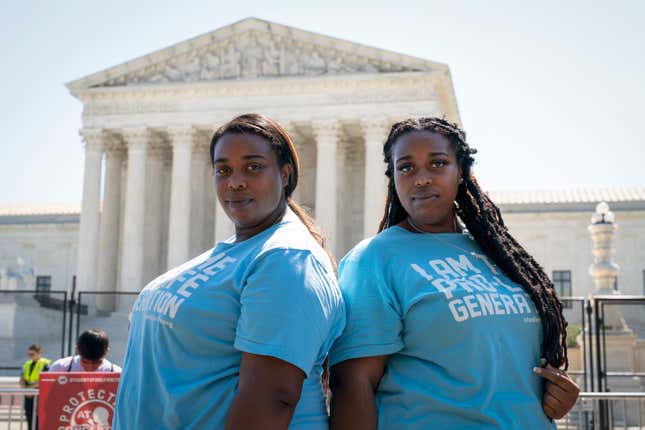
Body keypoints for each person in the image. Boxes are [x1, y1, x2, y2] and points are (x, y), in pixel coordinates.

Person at [329, 117, 579, 429]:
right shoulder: (374, 260)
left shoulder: (499, 255)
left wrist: (557, 394)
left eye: (437, 163)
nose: (421, 178)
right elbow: (352, 385)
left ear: (460, 171)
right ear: (393, 178)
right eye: (406, 167)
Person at [114, 114, 345, 429]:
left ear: (285, 173)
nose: (235, 181)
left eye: (253, 167)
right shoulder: (236, 251)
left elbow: (272, 397)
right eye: (223, 170)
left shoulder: (287, 259)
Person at [49, 329, 121, 372]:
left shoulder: (116, 374)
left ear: (106, 352)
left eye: (97, 363)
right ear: (77, 350)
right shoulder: (60, 369)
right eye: (85, 362)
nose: (90, 368)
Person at [19, 344, 50, 430]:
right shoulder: (27, 364)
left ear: (39, 353)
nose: (30, 356)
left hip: (38, 394)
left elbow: (43, 380)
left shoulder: (45, 364)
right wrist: (26, 390)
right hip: (28, 394)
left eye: (32, 354)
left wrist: (30, 389)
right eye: (29, 354)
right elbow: (21, 379)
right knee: (29, 416)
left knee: (37, 418)